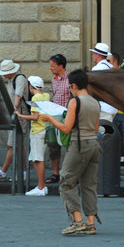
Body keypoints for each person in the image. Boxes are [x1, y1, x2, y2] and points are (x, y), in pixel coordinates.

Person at [39, 69, 100, 236]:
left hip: (79, 144)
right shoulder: (95, 102)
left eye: (69, 87)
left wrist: (50, 119)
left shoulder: (75, 102)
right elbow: (95, 129)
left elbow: (66, 129)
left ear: (73, 85)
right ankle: (91, 223)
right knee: (89, 185)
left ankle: (77, 221)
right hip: (94, 144)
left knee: (66, 181)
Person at [0, 60, 29, 181]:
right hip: (16, 115)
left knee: (12, 145)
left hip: (19, 115)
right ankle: (22, 172)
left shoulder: (20, 79)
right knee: (18, 145)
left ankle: (3, 172)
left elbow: (18, 96)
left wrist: (15, 110)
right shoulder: (11, 80)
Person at [17, 75, 50, 196]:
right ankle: (41, 186)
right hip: (43, 130)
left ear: (31, 86)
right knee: (36, 159)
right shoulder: (45, 95)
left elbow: (35, 117)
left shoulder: (36, 97)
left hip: (37, 131)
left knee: (38, 159)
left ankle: (41, 187)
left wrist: (20, 115)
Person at [46, 53, 70, 184]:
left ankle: (67, 172)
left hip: (67, 116)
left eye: (53, 66)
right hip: (55, 116)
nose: (51, 68)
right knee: (53, 144)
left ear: (61, 66)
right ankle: (55, 173)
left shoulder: (71, 78)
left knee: (69, 144)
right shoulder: (54, 79)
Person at [90, 42, 118, 122]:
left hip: (103, 109)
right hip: (113, 108)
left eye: (93, 54)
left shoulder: (96, 69)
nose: (93, 56)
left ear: (97, 55)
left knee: (103, 133)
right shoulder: (112, 67)